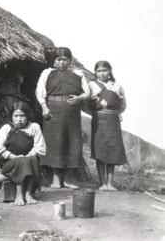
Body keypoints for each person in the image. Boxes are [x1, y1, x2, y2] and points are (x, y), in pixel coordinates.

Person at [36, 47, 90, 189]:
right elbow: (40, 93)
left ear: (70, 61)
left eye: (65, 60)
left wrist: (79, 98)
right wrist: (44, 108)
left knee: (72, 144)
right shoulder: (47, 73)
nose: (61, 63)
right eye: (58, 60)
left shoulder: (78, 74)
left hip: (72, 114)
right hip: (53, 113)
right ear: (54, 61)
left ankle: (68, 179)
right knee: (55, 144)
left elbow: (87, 93)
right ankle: (55, 179)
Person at [0, 102, 46, 206]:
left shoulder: (34, 127)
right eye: (16, 116)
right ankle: (19, 195)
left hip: (30, 161)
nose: (19, 119)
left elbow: (40, 147)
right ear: (11, 116)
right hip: (10, 164)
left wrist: (26, 157)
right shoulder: (6, 128)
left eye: (22, 116)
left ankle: (28, 194)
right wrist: (16, 157)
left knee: (31, 160)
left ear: (28, 116)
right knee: (23, 162)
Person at [89, 60, 127, 191]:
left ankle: (110, 183)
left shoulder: (117, 86)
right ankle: (102, 183)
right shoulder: (91, 85)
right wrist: (96, 112)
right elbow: (86, 104)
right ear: (95, 72)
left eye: (105, 70)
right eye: (99, 71)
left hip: (113, 121)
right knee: (100, 150)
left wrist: (116, 113)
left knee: (112, 150)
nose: (102, 73)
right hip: (98, 120)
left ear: (110, 71)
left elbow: (123, 104)